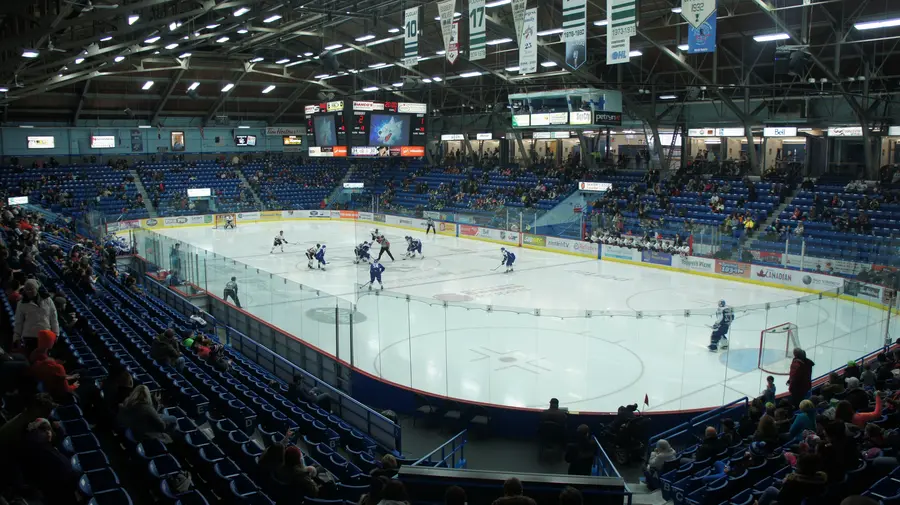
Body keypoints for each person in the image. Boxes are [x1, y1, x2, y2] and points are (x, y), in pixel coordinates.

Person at [21, 417, 78, 504]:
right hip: (56, 487)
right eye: (44, 430)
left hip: (65, 482)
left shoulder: (45, 444)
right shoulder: (33, 449)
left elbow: (58, 437)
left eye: (48, 430)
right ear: (35, 432)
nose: (48, 432)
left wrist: (58, 429)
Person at [756, 454, 826, 505]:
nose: (796, 465)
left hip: (791, 501)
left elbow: (781, 497)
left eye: (798, 464)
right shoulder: (821, 478)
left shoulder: (793, 481)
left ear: (801, 467)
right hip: (801, 498)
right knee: (777, 483)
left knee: (770, 490)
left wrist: (786, 482)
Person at [13, 279, 59, 353]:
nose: (29, 292)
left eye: (31, 289)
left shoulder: (47, 300)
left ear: (36, 288)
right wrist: (16, 338)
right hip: (29, 336)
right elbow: (18, 322)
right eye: (27, 290)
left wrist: (56, 334)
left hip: (46, 335)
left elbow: (53, 318)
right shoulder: (21, 303)